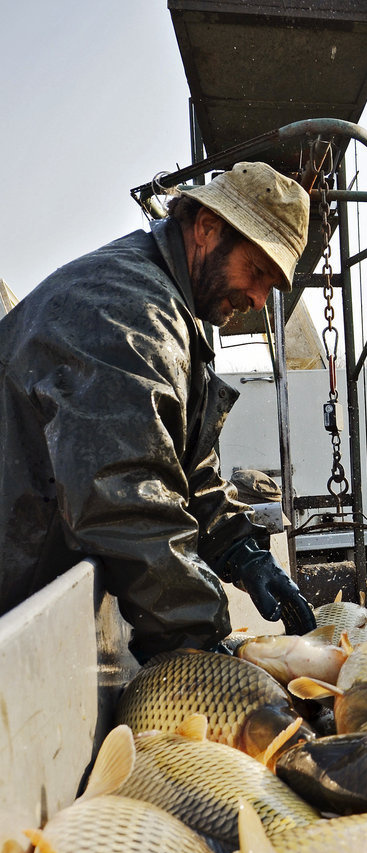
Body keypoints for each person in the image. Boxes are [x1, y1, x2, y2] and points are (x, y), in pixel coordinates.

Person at [0, 161, 316, 661]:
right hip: (13, 597)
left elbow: (181, 465)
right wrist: (197, 641)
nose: (257, 298)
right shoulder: (129, 309)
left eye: (271, 285)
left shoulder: (167, 309)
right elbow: (127, 495)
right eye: (257, 271)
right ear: (208, 228)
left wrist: (241, 549)